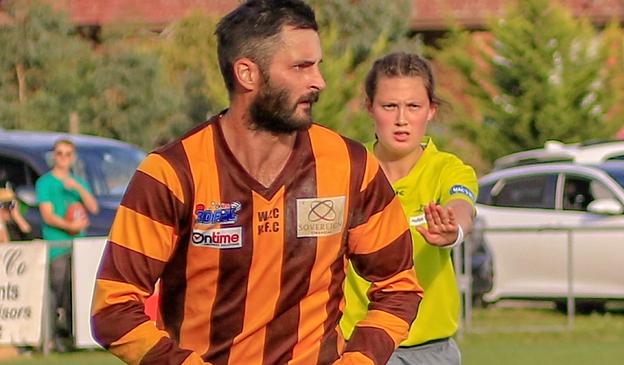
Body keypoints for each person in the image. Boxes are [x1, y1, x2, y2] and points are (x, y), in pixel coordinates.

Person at [91, 1, 423, 365]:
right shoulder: (172, 173)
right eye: (301, 67)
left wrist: (357, 361)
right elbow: (113, 308)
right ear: (247, 74)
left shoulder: (351, 165)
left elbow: (399, 286)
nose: (319, 82)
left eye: (318, 66)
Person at [341, 52, 478, 365]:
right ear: (369, 108)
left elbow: (462, 208)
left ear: (431, 110)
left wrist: (453, 230)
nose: (401, 118)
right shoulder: (345, 171)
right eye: (390, 106)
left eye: (413, 106)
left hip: (430, 352)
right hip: (357, 349)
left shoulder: (448, 169)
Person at [35, 138, 99, 351]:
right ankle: (51, 337)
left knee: (77, 293)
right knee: (57, 292)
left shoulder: (77, 182)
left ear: (73, 157)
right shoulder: (45, 183)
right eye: (60, 153)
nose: (63, 158)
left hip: (78, 247)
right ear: (54, 155)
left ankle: (74, 337)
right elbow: (48, 215)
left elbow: (93, 208)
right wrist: (70, 226)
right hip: (57, 246)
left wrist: (78, 189)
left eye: (68, 154)